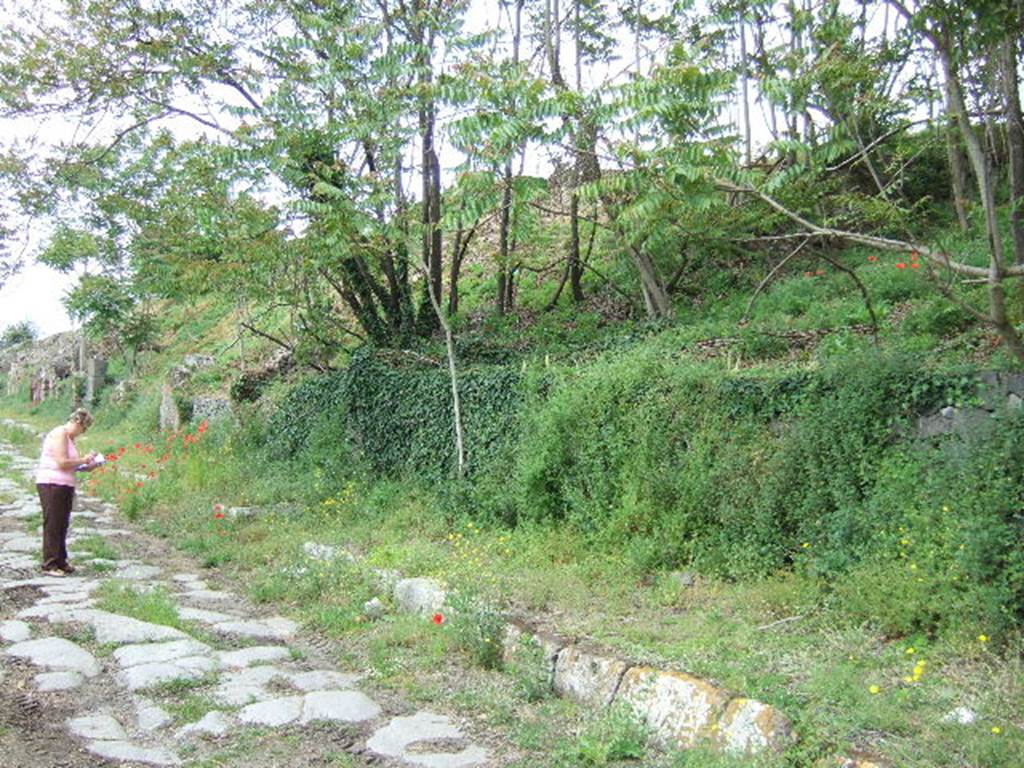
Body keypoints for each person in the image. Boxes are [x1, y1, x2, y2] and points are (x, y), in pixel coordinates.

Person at [35, 408, 98, 576]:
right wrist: (84, 459)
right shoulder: (60, 434)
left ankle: (61, 560)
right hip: (52, 483)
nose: (83, 433)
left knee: (62, 523)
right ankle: (50, 563)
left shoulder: (70, 439)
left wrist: (86, 466)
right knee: (53, 523)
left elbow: (71, 463)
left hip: (64, 484)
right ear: (78, 423)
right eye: (84, 429)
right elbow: (62, 462)